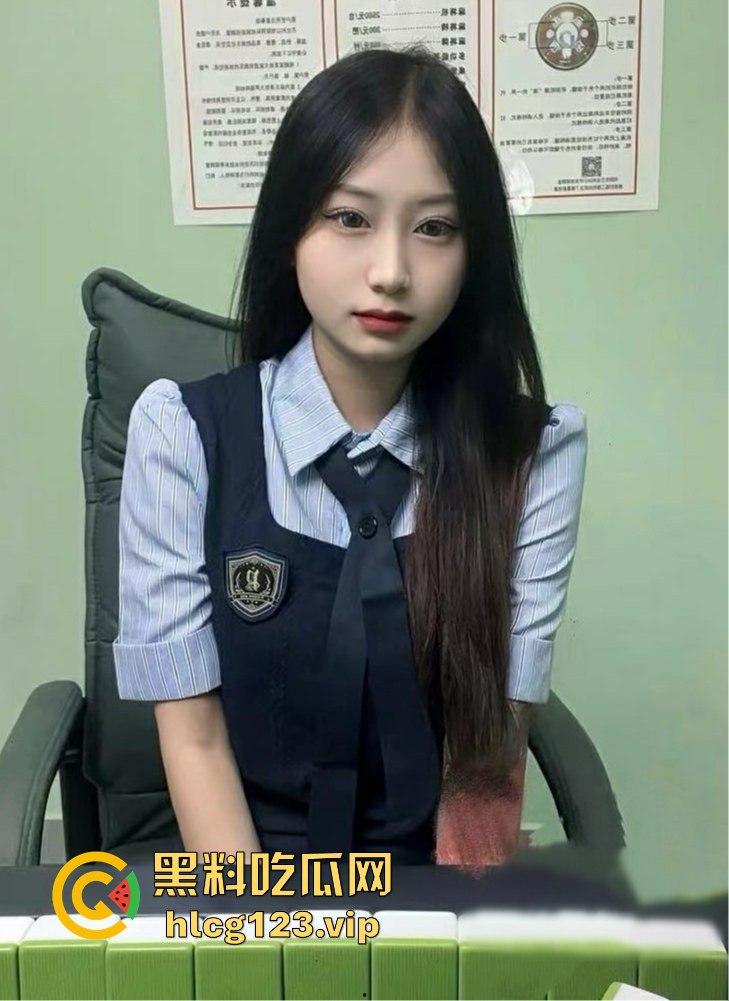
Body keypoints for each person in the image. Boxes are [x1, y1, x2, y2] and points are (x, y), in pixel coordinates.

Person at [112, 44, 587, 866]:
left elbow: (489, 755)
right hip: (244, 874)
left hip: (433, 880)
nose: (391, 271)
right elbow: (194, 737)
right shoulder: (181, 433)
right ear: (290, 228)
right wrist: (270, 934)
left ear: (473, 252)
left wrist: (446, 930)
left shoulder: (531, 453)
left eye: (434, 227)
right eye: (350, 218)